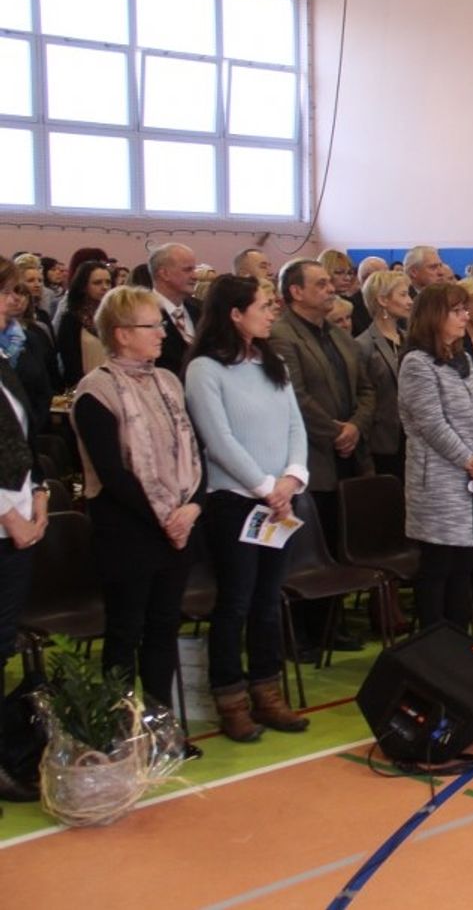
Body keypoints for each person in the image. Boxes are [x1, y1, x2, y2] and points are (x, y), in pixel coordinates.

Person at [72, 286, 205, 755]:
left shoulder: (168, 382)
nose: (162, 334)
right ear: (122, 334)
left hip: (178, 525)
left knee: (164, 628)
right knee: (126, 631)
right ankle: (120, 734)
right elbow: (114, 474)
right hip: (128, 529)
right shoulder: (96, 391)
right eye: (152, 326)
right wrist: (165, 517)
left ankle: (162, 729)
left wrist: (192, 506)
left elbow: (193, 450)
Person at [184, 275, 310, 742]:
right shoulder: (205, 370)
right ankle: (230, 698)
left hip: (279, 501)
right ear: (235, 314)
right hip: (235, 502)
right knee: (235, 601)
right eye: (263, 306)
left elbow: (295, 425)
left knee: (268, 600)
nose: (271, 312)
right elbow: (218, 440)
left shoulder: (271, 362)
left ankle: (266, 690)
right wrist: (265, 487)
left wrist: (292, 478)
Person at [398, 283, 473, 630]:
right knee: (438, 566)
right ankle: (436, 645)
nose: (465, 316)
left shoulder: (463, 358)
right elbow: (432, 426)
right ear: (434, 316)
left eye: (465, 309)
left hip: (472, 477)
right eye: (457, 311)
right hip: (439, 482)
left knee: (463, 566)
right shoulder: (417, 363)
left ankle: (460, 643)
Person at [269, 259, 376, 549]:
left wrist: (355, 427)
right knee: (325, 540)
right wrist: (336, 432)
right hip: (315, 457)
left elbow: (366, 389)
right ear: (296, 292)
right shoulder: (281, 335)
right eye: (321, 284)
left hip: (353, 455)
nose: (331, 289)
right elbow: (294, 396)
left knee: (353, 541)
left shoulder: (338, 334)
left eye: (330, 282)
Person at [0, 322, 48, 802]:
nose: (7, 308)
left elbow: (23, 436)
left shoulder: (3, 365)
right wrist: (7, 514)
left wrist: (40, 490)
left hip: (17, 522)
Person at [355, 271, 411, 479]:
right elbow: (364, 397)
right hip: (383, 443)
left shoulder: (409, 339)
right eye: (403, 295)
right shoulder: (363, 345)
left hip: (413, 438)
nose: (409, 301)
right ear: (383, 300)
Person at [1, 258, 58, 429]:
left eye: (16, 291)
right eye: (5, 292)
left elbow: (44, 390)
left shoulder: (28, 338)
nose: (14, 299)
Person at [147, 244, 201, 378]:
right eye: (187, 270)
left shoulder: (201, 309)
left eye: (194, 269)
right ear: (164, 273)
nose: (195, 276)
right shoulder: (142, 313)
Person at [58, 260, 113, 388]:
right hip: (86, 387)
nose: (105, 287)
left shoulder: (116, 316)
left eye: (108, 282)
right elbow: (70, 363)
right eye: (97, 283)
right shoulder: (72, 319)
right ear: (83, 286)